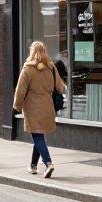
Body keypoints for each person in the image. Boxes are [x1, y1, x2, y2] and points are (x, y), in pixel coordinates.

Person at [13, 40, 65, 178]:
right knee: (39, 135)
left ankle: (48, 163)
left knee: (37, 136)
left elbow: (20, 91)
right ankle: (33, 166)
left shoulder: (27, 69)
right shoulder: (51, 68)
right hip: (48, 107)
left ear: (32, 51)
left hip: (32, 109)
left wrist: (17, 107)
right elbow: (60, 87)